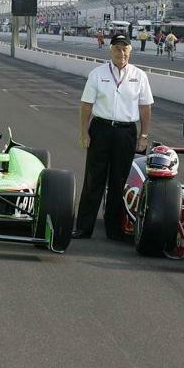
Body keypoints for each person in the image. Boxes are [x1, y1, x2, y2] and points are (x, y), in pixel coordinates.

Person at [75, 33, 153, 240]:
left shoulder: (140, 76)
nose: (121, 53)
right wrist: (84, 133)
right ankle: (83, 227)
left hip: (126, 131)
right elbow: (86, 105)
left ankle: (114, 229)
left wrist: (144, 135)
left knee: (119, 182)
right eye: (117, 49)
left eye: (125, 49)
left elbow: (145, 108)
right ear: (111, 50)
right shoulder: (97, 73)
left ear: (130, 51)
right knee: (94, 179)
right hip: (100, 128)